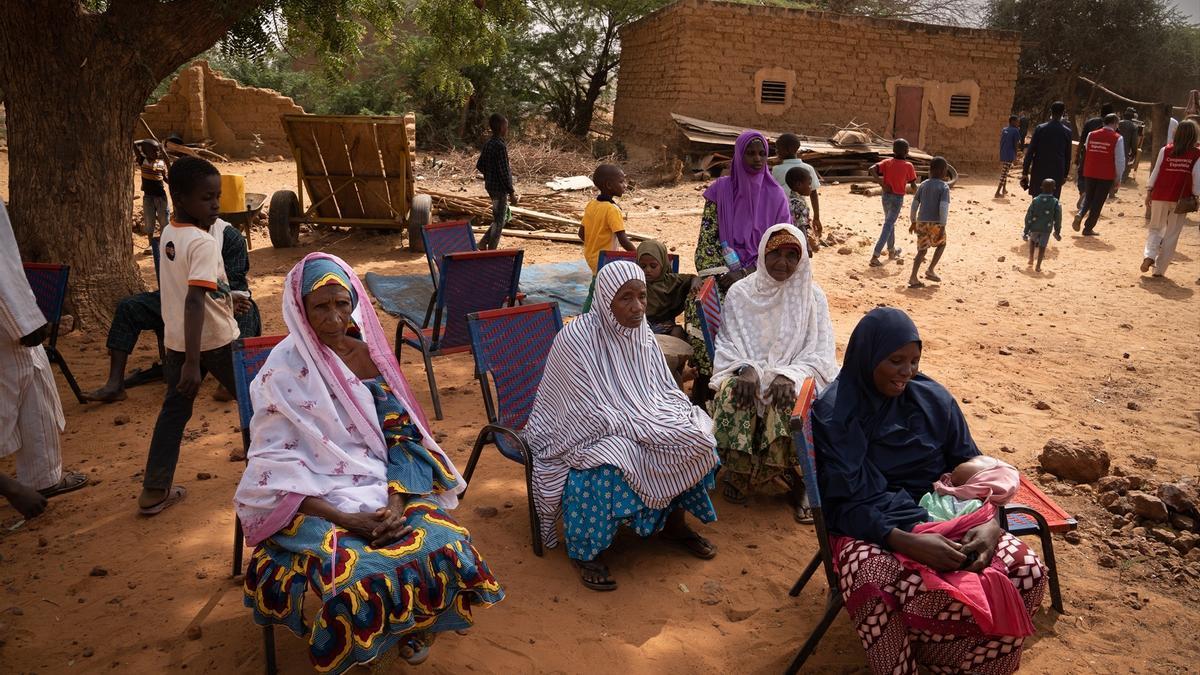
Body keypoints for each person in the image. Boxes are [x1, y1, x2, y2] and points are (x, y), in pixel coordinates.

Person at [236, 254, 503, 672]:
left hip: (378, 483)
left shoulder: (365, 357)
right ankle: (363, 646)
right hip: (313, 498)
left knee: (446, 542)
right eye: (320, 306)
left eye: (343, 303)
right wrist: (348, 520)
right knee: (353, 573)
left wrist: (396, 505)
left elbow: (401, 436)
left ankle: (414, 623)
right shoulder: (279, 372)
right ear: (299, 309)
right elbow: (272, 466)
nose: (335, 317)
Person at [813, 307, 1047, 675]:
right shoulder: (836, 413)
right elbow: (840, 506)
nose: (907, 372)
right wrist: (906, 541)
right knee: (875, 579)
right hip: (869, 524)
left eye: (914, 361)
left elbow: (972, 470)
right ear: (868, 357)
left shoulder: (933, 400)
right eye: (895, 361)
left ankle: (969, 666)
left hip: (947, 511)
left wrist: (990, 527)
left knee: (1027, 571)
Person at [523, 261, 720, 591]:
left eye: (642, 296)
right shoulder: (575, 338)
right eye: (625, 298)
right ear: (604, 299)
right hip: (572, 428)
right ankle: (585, 551)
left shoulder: (642, 334)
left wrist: (662, 419)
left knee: (694, 433)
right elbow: (580, 409)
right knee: (611, 460)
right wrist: (638, 425)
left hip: (633, 414)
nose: (638, 307)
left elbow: (662, 390)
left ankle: (674, 523)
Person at [710, 225, 837, 523]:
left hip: (795, 371)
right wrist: (746, 368)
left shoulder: (813, 297)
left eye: (792, 255)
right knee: (736, 391)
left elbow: (820, 352)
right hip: (746, 367)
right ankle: (739, 472)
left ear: (802, 259)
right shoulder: (741, 293)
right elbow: (728, 342)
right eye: (775, 254)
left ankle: (793, 478)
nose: (783, 262)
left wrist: (788, 374)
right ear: (763, 253)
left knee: (786, 396)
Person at [136, 157, 241, 516]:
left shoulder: (169, 232)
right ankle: (275, 479)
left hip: (177, 342)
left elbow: (191, 290)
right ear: (179, 197)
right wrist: (195, 364)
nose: (215, 205)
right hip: (214, 342)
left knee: (173, 412)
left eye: (218, 197)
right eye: (206, 198)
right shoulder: (203, 241)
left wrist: (228, 298)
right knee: (259, 405)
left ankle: (154, 489)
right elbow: (194, 301)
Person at [84, 221, 261, 404]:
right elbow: (171, 280)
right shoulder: (173, 233)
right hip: (177, 299)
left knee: (247, 311)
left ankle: (232, 378)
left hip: (218, 302)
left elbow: (236, 287)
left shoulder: (230, 237)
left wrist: (229, 300)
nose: (212, 205)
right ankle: (115, 384)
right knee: (128, 307)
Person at [687, 129, 790, 404]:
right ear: (739, 155)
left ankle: (762, 382)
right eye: (750, 153)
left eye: (762, 154)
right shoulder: (720, 191)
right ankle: (713, 383)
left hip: (765, 277)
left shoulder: (777, 196)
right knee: (702, 308)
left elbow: (783, 245)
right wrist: (725, 274)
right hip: (724, 274)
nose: (757, 159)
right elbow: (707, 241)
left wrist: (753, 276)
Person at [0, 200, 89, 511]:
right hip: (10, 320)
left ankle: (43, 477)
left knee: (34, 386)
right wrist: (22, 321)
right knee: (16, 385)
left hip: (13, 318)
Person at [1142, 119, 1200, 278]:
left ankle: (1149, 256)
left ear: (1177, 133)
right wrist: (1196, 197)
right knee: (1172, 234)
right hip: (1181, 199)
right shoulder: (1197, 154)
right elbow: (1197, 178)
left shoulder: (1165, 150)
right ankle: (1159, 270)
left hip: (1160, 194)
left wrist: (1149, 191)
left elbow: (1156, 171)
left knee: (1155, 228)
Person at [919, 455, 1019, 522]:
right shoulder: (945, 487)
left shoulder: (975, 507)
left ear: (977, 484)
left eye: (972, 461)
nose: (966, 461)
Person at [1073, 113, 1125, 236]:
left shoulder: (1091, 134)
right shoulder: (1118, 138)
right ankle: (1088, 228)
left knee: (1089, 197)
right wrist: (1118, 178)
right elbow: (1120, 161)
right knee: (1098, 201)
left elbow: (1086, 150)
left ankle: (1080, 214)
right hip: (1105, 175)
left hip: (1090, 172)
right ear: (1114, 123)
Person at [867, 139, 917, 267]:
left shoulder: (887, 163)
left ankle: (891, 251)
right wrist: (919, 195)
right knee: (889, 224)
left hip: (886, 197)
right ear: (906, 152)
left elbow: (872, 169)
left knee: (890, 223)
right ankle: (875, 255)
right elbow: (913, 185)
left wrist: (881, 183)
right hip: (897, 199)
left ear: (893, 150)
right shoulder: (908, 166)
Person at [580, 163, 635, 274]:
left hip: (591, 258)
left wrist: (595, 244)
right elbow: (623, 239)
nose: (624, 185)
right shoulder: (612, 210)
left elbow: (581, 234)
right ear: (609, 185)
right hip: (606, 260)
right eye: (621, 182)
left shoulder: (591, 205)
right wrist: (638, 254)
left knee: (596, 282)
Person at [637, 239, 698, 339]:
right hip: (640, 327)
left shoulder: (671, 281)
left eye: (653, 266)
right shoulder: (635, 283)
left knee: (677, 331)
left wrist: (695, 284)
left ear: (663, 264)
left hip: (665, 326)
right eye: (643, 266)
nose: (647, 270)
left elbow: (693, 278)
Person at [907, 157, 951, 288]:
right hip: (935, 223)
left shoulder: (924, 185)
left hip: (921, 222)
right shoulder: (944, 187)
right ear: (944, 171)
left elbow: (914, 204)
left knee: (922, 250)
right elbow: (943, 207)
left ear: (930, 171)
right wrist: (942, 225)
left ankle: (913, 277)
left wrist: (913, 221)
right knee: (941, 244)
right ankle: (930, 269)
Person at [476, 113, 518, 250]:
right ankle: (491, 249)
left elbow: (480, 165)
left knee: (500, 217)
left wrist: (490, 175)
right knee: (500, 220)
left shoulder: (489, 143)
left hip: (490, 187)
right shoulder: (500, 146)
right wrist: (511, 193)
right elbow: (504, 172)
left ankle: (483, 243)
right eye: (506, 125)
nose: (507, 128)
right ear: (501, 127)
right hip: (499, 189)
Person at [771, 133, 823, 238]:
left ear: (787, 150)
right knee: (801, 233)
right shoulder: (808, 168)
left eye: (778, 149)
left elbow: (772, 195)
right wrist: (816, 217)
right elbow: (813, 194)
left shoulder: (776, 170)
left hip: (781, 213)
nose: (776, 152)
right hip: (802, 212)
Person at [1021, 101, 1073, 199]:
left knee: (1037, 198)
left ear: (1050, 112)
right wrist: (1065, 174)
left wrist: (1025, 172)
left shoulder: (1040, 128)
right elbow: (1068, 155)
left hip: (1039, 169)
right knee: (1053, 200)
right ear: (1063, 113)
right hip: (1057, 171)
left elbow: (1030, 151)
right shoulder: (1067, 132)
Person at [1075, 102, 1114, 207]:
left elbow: (1082, 140)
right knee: (1097, 177)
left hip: (1088, 154)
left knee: (1082, 173)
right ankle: (1091, 199)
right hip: (1104, 157)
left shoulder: (1090, 122)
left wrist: (1077, 155)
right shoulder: (1113, 127)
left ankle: (1083, 191)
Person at [1023, 178, 1063, 272]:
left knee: (1032, 241)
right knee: (1042, 246)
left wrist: (1026, 230)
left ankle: (1031, 258)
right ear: (1054, 189)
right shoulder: (1055, 202)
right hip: (1047, 228)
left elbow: (1029, 215)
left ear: (1041, 187)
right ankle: (1038, 266)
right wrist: (1057, 231)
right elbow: (1058, 218)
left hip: (1034, 226)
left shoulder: (1035, 200)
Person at [135, 140, 170, 237]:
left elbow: (166, 178)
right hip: (148, 198)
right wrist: (143, 141)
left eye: (158, 151)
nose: (157, 153)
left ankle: (163, 242)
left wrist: (163, 150)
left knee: (164, 222)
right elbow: (134, 144)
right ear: (146, 152)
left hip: (161, 197)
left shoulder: (161, 163)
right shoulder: (142, 160)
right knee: (149, 223)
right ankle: (151, 245)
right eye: (154, 151)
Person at [785, 166, 822, 253]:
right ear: (799, 185)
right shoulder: (798, 203)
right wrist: (806, 245)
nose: (811, 187)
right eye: (809, 184)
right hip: (796, 240)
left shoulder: (791, 198)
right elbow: (800, 226)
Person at [996, 115, 1021, 198]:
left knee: (1005, 171)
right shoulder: (1015, 131)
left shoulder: (1004, 130)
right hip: (1010, 154)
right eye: (1017, 121)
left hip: (1003, 153)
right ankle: (997, 192)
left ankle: (1004, 189)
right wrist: (1015, 156)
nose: (1018, 123)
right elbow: (1016, 144)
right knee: (1004, 173)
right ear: (1013, 122)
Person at [1118, 107, 1142, 184]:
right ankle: (1122, 179)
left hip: (1115, 148)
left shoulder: (1118, 123)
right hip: (1125, 149)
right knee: (1125, 165)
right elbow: (1134, 142)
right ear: (1132, 117)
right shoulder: (1133, 127)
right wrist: (1134, 152)